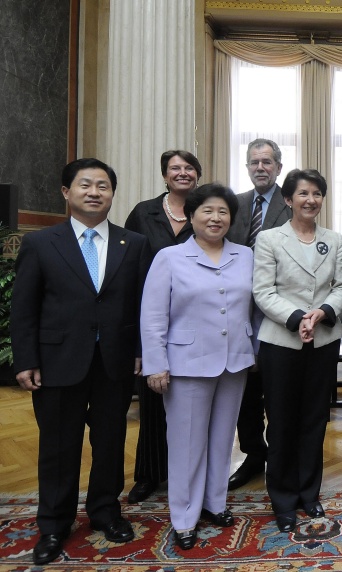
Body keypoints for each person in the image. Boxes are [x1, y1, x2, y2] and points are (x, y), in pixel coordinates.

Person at [11, 158, 150, 565]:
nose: (94, 192)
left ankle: (106, 511)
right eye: (85, 184)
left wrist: (141, 350)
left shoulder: (133, 243)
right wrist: (26, 359)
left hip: (115, 361)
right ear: (66, 192)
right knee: (58, 445)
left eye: (103, 186)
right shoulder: (41, 243)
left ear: (112, 194)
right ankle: (54, 523)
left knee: (110, 441)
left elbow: (143, 305)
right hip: (57, 360)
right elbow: (24, 307)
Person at [140, 183, 255, 550]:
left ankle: (214, 502)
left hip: (234, 362)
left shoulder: (245, 256)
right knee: (186, 443)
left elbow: (254, 307)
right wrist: (155, 364)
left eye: (223, 212)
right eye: (207, 210)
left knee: (222, 439)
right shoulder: (170, 257)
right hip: (186, 363)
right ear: (191, 216)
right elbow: (153, 316)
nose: (215, 218)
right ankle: (185, 517)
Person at [252, 169, 342, 532]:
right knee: (281, 421)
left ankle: (309, 493)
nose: (311, 200)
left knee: (315, 419)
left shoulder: (333, 239)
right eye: (303, 193)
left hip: (323, 340)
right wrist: (296, 318)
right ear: (288, 199)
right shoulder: (269, 239)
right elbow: (263, 291)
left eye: (317, 193)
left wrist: (321, 313)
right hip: (281, 342)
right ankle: (282, 498)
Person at [124, 149, 201, 504]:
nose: (182, 173)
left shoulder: (206, 211)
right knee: (153, 401)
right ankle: (149, 474)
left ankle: (191, 476)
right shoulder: (144, 212)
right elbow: (128, 269)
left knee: (192, 407)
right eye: (175, 168)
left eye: (189, 168)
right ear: (164, 175)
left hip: (194, 320)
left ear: (198, 175)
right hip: (151, 319)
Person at [226, 138, 292, 491]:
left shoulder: (293, 201)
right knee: (244, 390)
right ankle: (254, 454)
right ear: (248, 167)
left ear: (278, 167)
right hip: (237, 311)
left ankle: (280, 459)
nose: (261, 168)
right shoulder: (233, 204)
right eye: (255, 162)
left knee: (277, 389)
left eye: (267, 162)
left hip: (279, 310)